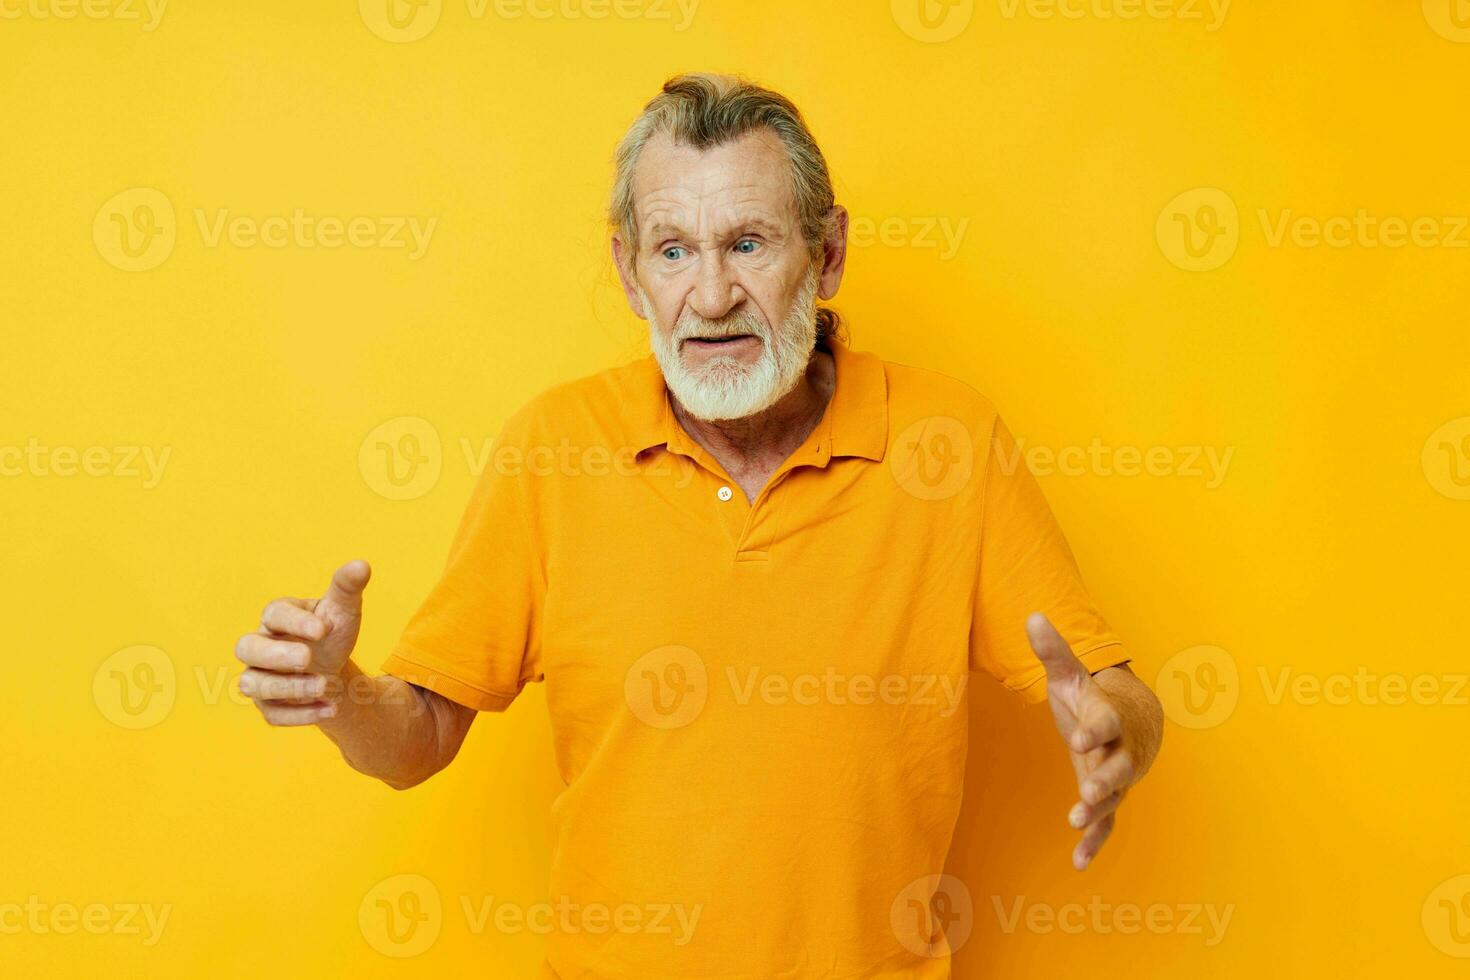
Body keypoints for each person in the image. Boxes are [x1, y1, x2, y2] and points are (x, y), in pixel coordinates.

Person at [235, 72, 1164, 978]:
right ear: (629, 274)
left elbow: (1111, 691)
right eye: (674, 250)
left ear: (829, 253)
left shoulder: (949, 442)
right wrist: (341, 694)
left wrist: (1114, 731)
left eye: (749, 244)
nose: (711, 296)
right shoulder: (553, 449)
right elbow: (418, 739)